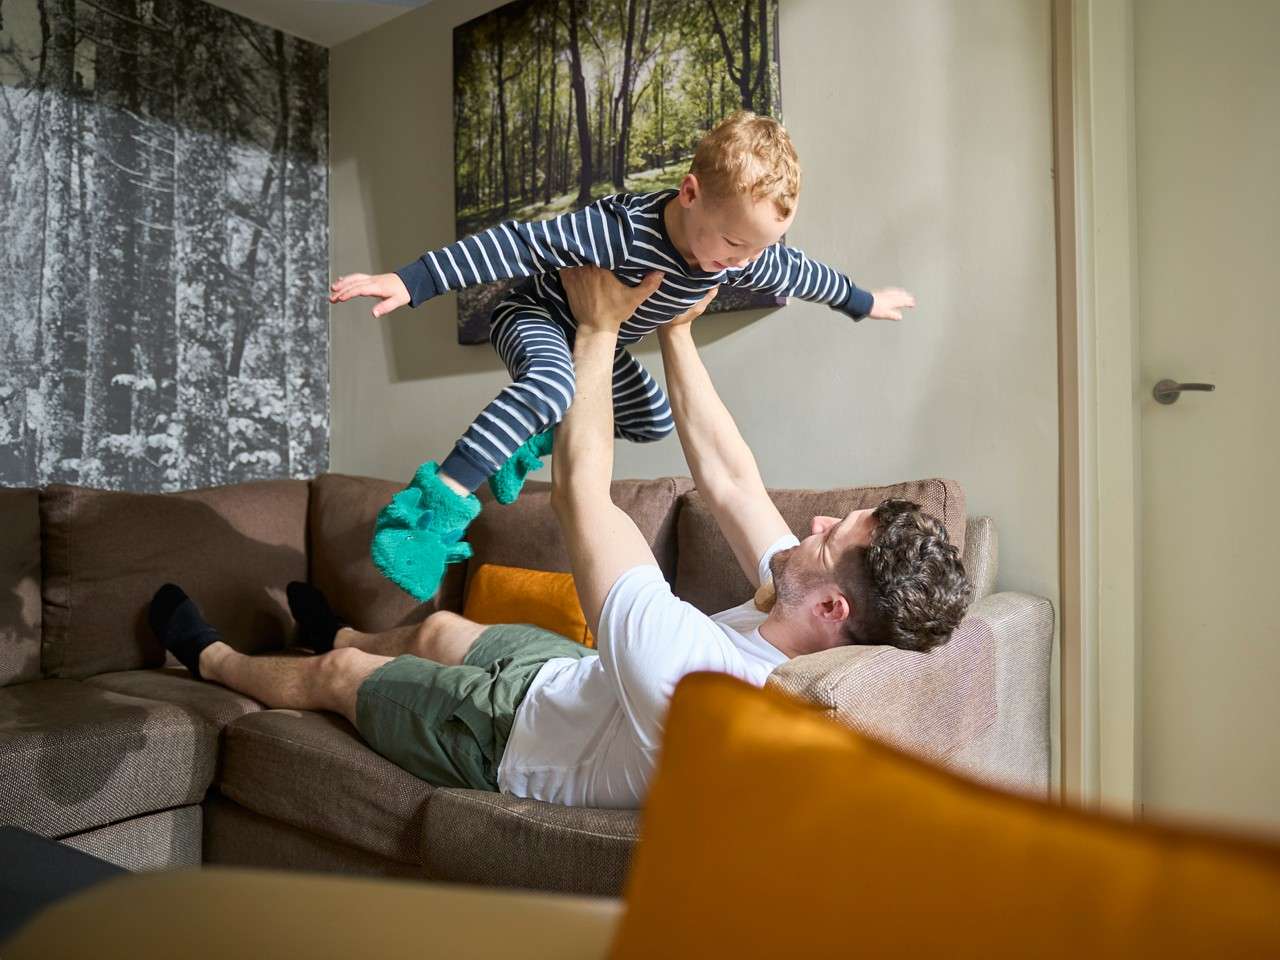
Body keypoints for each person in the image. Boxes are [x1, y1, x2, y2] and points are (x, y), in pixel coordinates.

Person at [151, 267, 969, 809]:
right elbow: (729, 477)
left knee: (342, 678)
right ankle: (336, 628)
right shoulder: (798, 612)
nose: (815, 525)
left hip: (511, 742)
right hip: (574, 680)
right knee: (437, 627)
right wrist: (677, 329)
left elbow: (582, 497)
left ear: (831, 608)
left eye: (830, 537)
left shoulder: (702, 685)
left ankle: (212, 659)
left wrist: (598, 328)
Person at [328, 110, 918, 601]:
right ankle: (427, 514)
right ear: (690, 193)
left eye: (758, 249)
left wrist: (864, 301)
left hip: (597, 344)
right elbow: (516, 243)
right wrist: (412, 281)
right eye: (735, 243)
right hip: (537, 317)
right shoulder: (619, 231)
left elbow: (807, 274)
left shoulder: (744, 256)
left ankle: (525, 439)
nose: (743, 263)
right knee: (550, 389)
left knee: (652, 417)